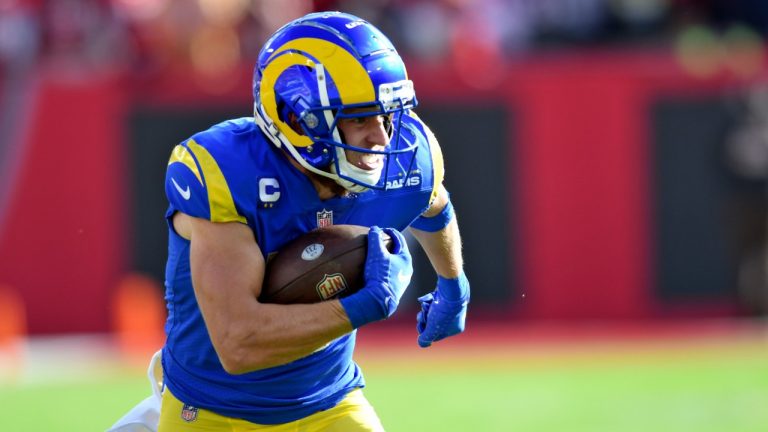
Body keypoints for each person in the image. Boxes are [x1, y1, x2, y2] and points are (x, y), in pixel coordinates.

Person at [157, 11, 470, 432]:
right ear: (298, 118)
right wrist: (364, 305)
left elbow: (434, 204)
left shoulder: (406, 154)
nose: (381, 137)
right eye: (359, 118)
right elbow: (238, 344)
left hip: (328, 402)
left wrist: (453, 286)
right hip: (213, 408)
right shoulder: (227, 172)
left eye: (385, 115)